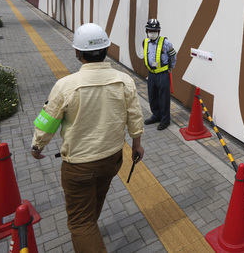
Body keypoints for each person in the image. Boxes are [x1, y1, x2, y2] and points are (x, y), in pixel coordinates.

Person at [30, 23, 145, 253]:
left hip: (79, 166)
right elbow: (135, 116)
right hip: (112, 159)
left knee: (80, 222)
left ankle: (88, 238)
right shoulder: (125, 81)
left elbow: (48, 121)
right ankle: (90, 234)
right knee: (93, 204)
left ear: (77, 52)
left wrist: (37, 146)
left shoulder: (65, 86)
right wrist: (137, 145)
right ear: (106, 49)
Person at [142, 18, 177, 130]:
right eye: (150, 31)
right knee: (152, 96)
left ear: (159, 31)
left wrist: (170, 68)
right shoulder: (145, 42)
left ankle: (165, 120)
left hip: (162, 74)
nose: (152, 33)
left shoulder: (166, 43)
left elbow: (173, 56)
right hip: (151, 74)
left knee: (164, 98)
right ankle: (156, 116)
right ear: (147, 31)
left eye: (155, 31)